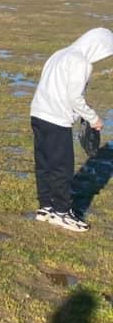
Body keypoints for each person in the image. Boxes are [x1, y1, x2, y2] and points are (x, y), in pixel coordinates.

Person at [30, 27, 113, 231]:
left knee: (44, 163)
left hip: (38, 113)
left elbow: (53, 87)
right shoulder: (81, 62)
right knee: (62, 167)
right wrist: (93, 119)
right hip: (57, 120)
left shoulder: (59, 54)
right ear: (98, 47)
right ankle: (62, 213)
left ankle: (46, 207)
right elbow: (74, 98)